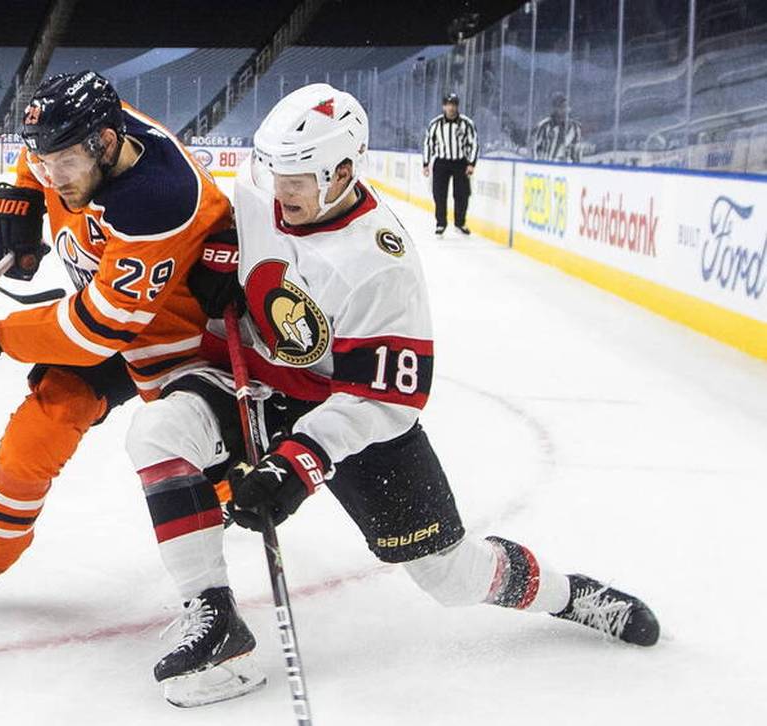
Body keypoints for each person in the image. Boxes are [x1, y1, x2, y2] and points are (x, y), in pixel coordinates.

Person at [125, 83, 659, 708]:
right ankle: (215, 619)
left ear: (343, 171)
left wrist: (298, 464)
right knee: (158, 432)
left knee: (450, 577)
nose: (279, 189)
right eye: (272, 171)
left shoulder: (381, 263)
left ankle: (572, 595)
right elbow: (158, 174)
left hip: (349, 411)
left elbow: (382, 400)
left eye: (298, 177)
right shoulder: (256, 195)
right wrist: (217, 260)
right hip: (262, 386)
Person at [0, 71, 232, 610]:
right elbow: (38, 158)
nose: (52, 177)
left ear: (104, 144)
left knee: (201, 469)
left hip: (180, 340)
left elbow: (97, 330)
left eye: (63, 164)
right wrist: (20, 194)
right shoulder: (78, 132)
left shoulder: (158, 199)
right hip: (110, 316)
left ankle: (225, 505)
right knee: (37, 428)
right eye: (42, 162)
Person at [421, 92, 477, 236]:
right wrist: (426, 163)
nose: (451, 108)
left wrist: (471, 163)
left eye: (453, 105)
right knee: (439, 194)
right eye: (448, 105)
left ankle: (460, 223)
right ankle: (441, 223)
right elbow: (428, 143)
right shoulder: (435, 124)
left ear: (457, 106)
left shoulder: (466, 123)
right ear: (443, 106)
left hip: (460, 162)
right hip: (441, 162)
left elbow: (474, 143)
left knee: (462, 194)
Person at [531, 93, 583, 163]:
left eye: (566, 107)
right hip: (544, 167)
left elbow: (576, 152)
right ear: (554, 108)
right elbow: (533, 148)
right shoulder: (544, 126)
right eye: (560, 107)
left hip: (563, 170)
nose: (564, 110)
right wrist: (536, 164)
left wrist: (576, 168)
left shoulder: (575, 128)